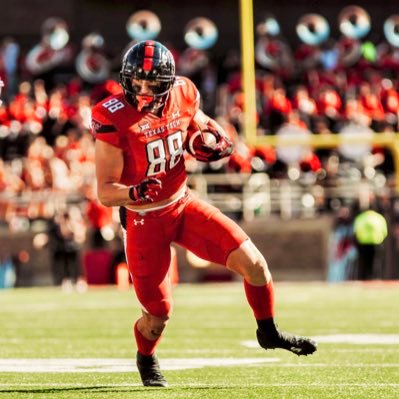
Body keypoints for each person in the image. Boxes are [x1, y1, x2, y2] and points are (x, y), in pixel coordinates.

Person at [92, 40, 317, 388]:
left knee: (255, 265)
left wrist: (218, 142)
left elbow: (204, 127)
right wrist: (134, 192)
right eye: (136, 82)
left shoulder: (183, 92)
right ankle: (146, 357)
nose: (143, 90)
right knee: (158, 316)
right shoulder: (112, 116)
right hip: (143, 218)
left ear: (168, 82)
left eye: (152, 83)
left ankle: (268, 331)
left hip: (182, 204)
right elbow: (105, 191)